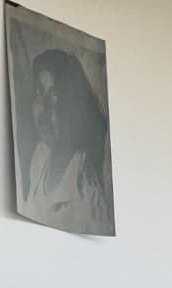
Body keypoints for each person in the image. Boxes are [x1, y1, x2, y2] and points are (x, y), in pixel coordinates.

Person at [22, 45, 112, 234]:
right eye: (39, 91)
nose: (43, 109)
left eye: (54, 95)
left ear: (71, 105)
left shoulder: (87, 188)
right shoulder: (40, 156)